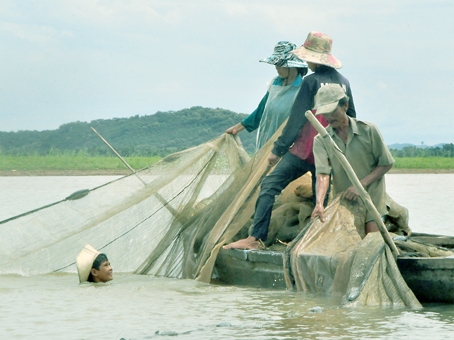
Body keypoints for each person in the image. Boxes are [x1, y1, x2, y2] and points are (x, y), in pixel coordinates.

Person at [224, 31, 355, 250]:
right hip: (331, 152)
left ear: (313, 58)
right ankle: (315, 243)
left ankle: (255, 238)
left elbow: (296, 119)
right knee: (319, 199)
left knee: (269, 185)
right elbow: (352, 117)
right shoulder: (344, 82)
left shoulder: (310, 81)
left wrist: (278, 149)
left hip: (304, 150)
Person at [310, 84, 394, 234]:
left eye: (332, 111)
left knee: (370, 242)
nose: (329, 117)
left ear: (345, 106)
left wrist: (359, 186)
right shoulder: (321, 140)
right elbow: (323, 174)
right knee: (348, 245)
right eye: (325, 113)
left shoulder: (368, 130)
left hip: (372, 198)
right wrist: (319, 204)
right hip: (346, 202)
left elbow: (386, 163)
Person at [226, 41, 308, 151]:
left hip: (286, 148)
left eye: (280, 65)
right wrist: (237, 128)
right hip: (265, 142)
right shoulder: (275, 84)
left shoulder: (302, 89)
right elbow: (261, 111)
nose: (276, 68)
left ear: (292, 66)